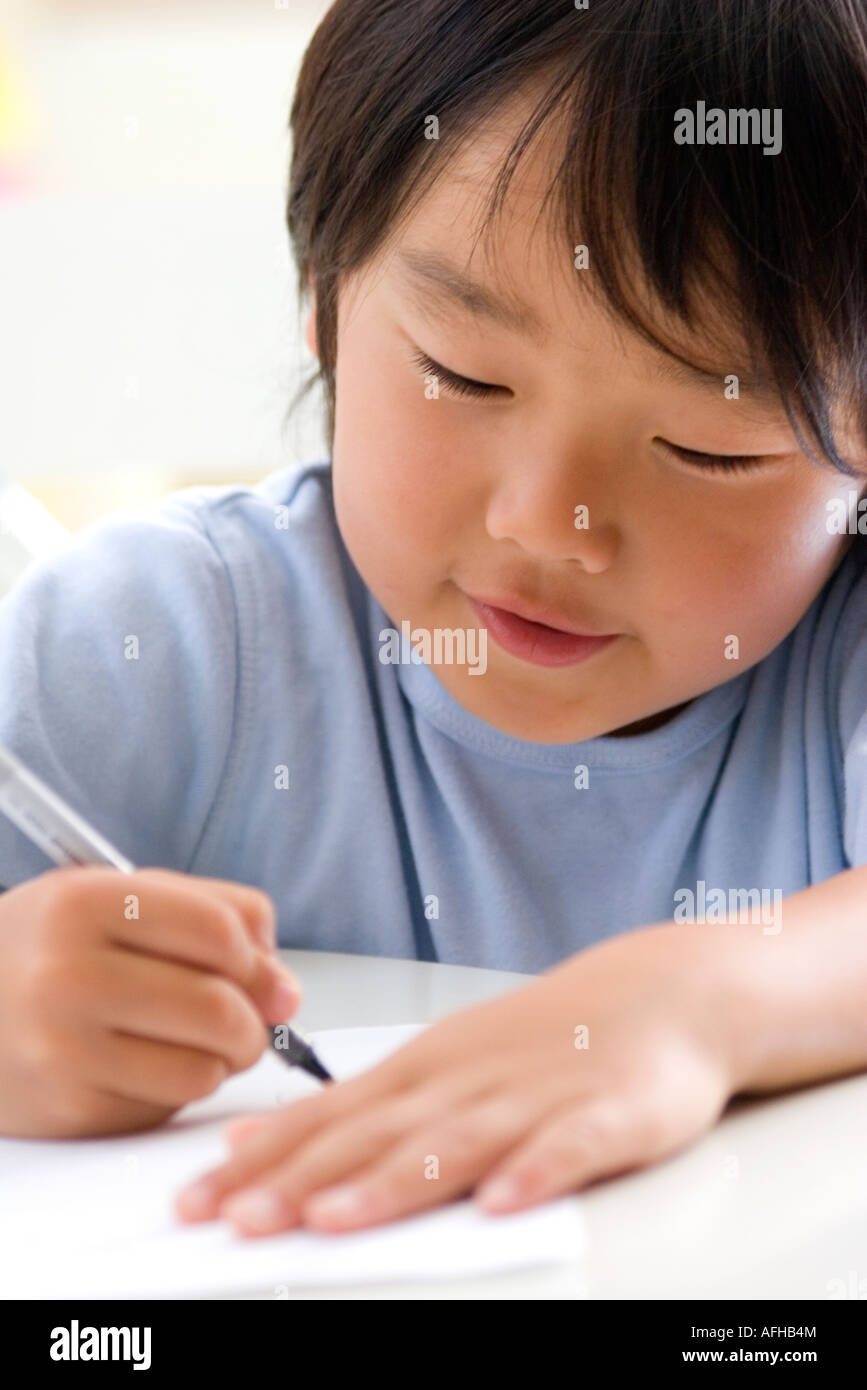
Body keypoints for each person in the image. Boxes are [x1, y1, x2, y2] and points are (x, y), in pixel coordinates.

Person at [1, 0, 866, 1237]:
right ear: (323, 297)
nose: (550, 521)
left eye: (708, 445)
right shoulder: (156, 646)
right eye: (464, 372)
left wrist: (700, 1001)